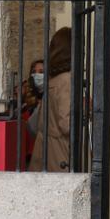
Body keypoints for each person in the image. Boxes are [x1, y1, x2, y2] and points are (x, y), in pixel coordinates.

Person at [29, 28, 73, 172]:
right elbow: (67, 124)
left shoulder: (54, 79)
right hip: (59, 156)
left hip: (46, 153)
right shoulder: (66, 80)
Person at [20, 59, 45, 168]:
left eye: (41, 72)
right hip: (27, 155)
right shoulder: (26, 101)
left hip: (45, 153)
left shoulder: (52, 97)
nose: (37, 75)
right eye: (34, 72)